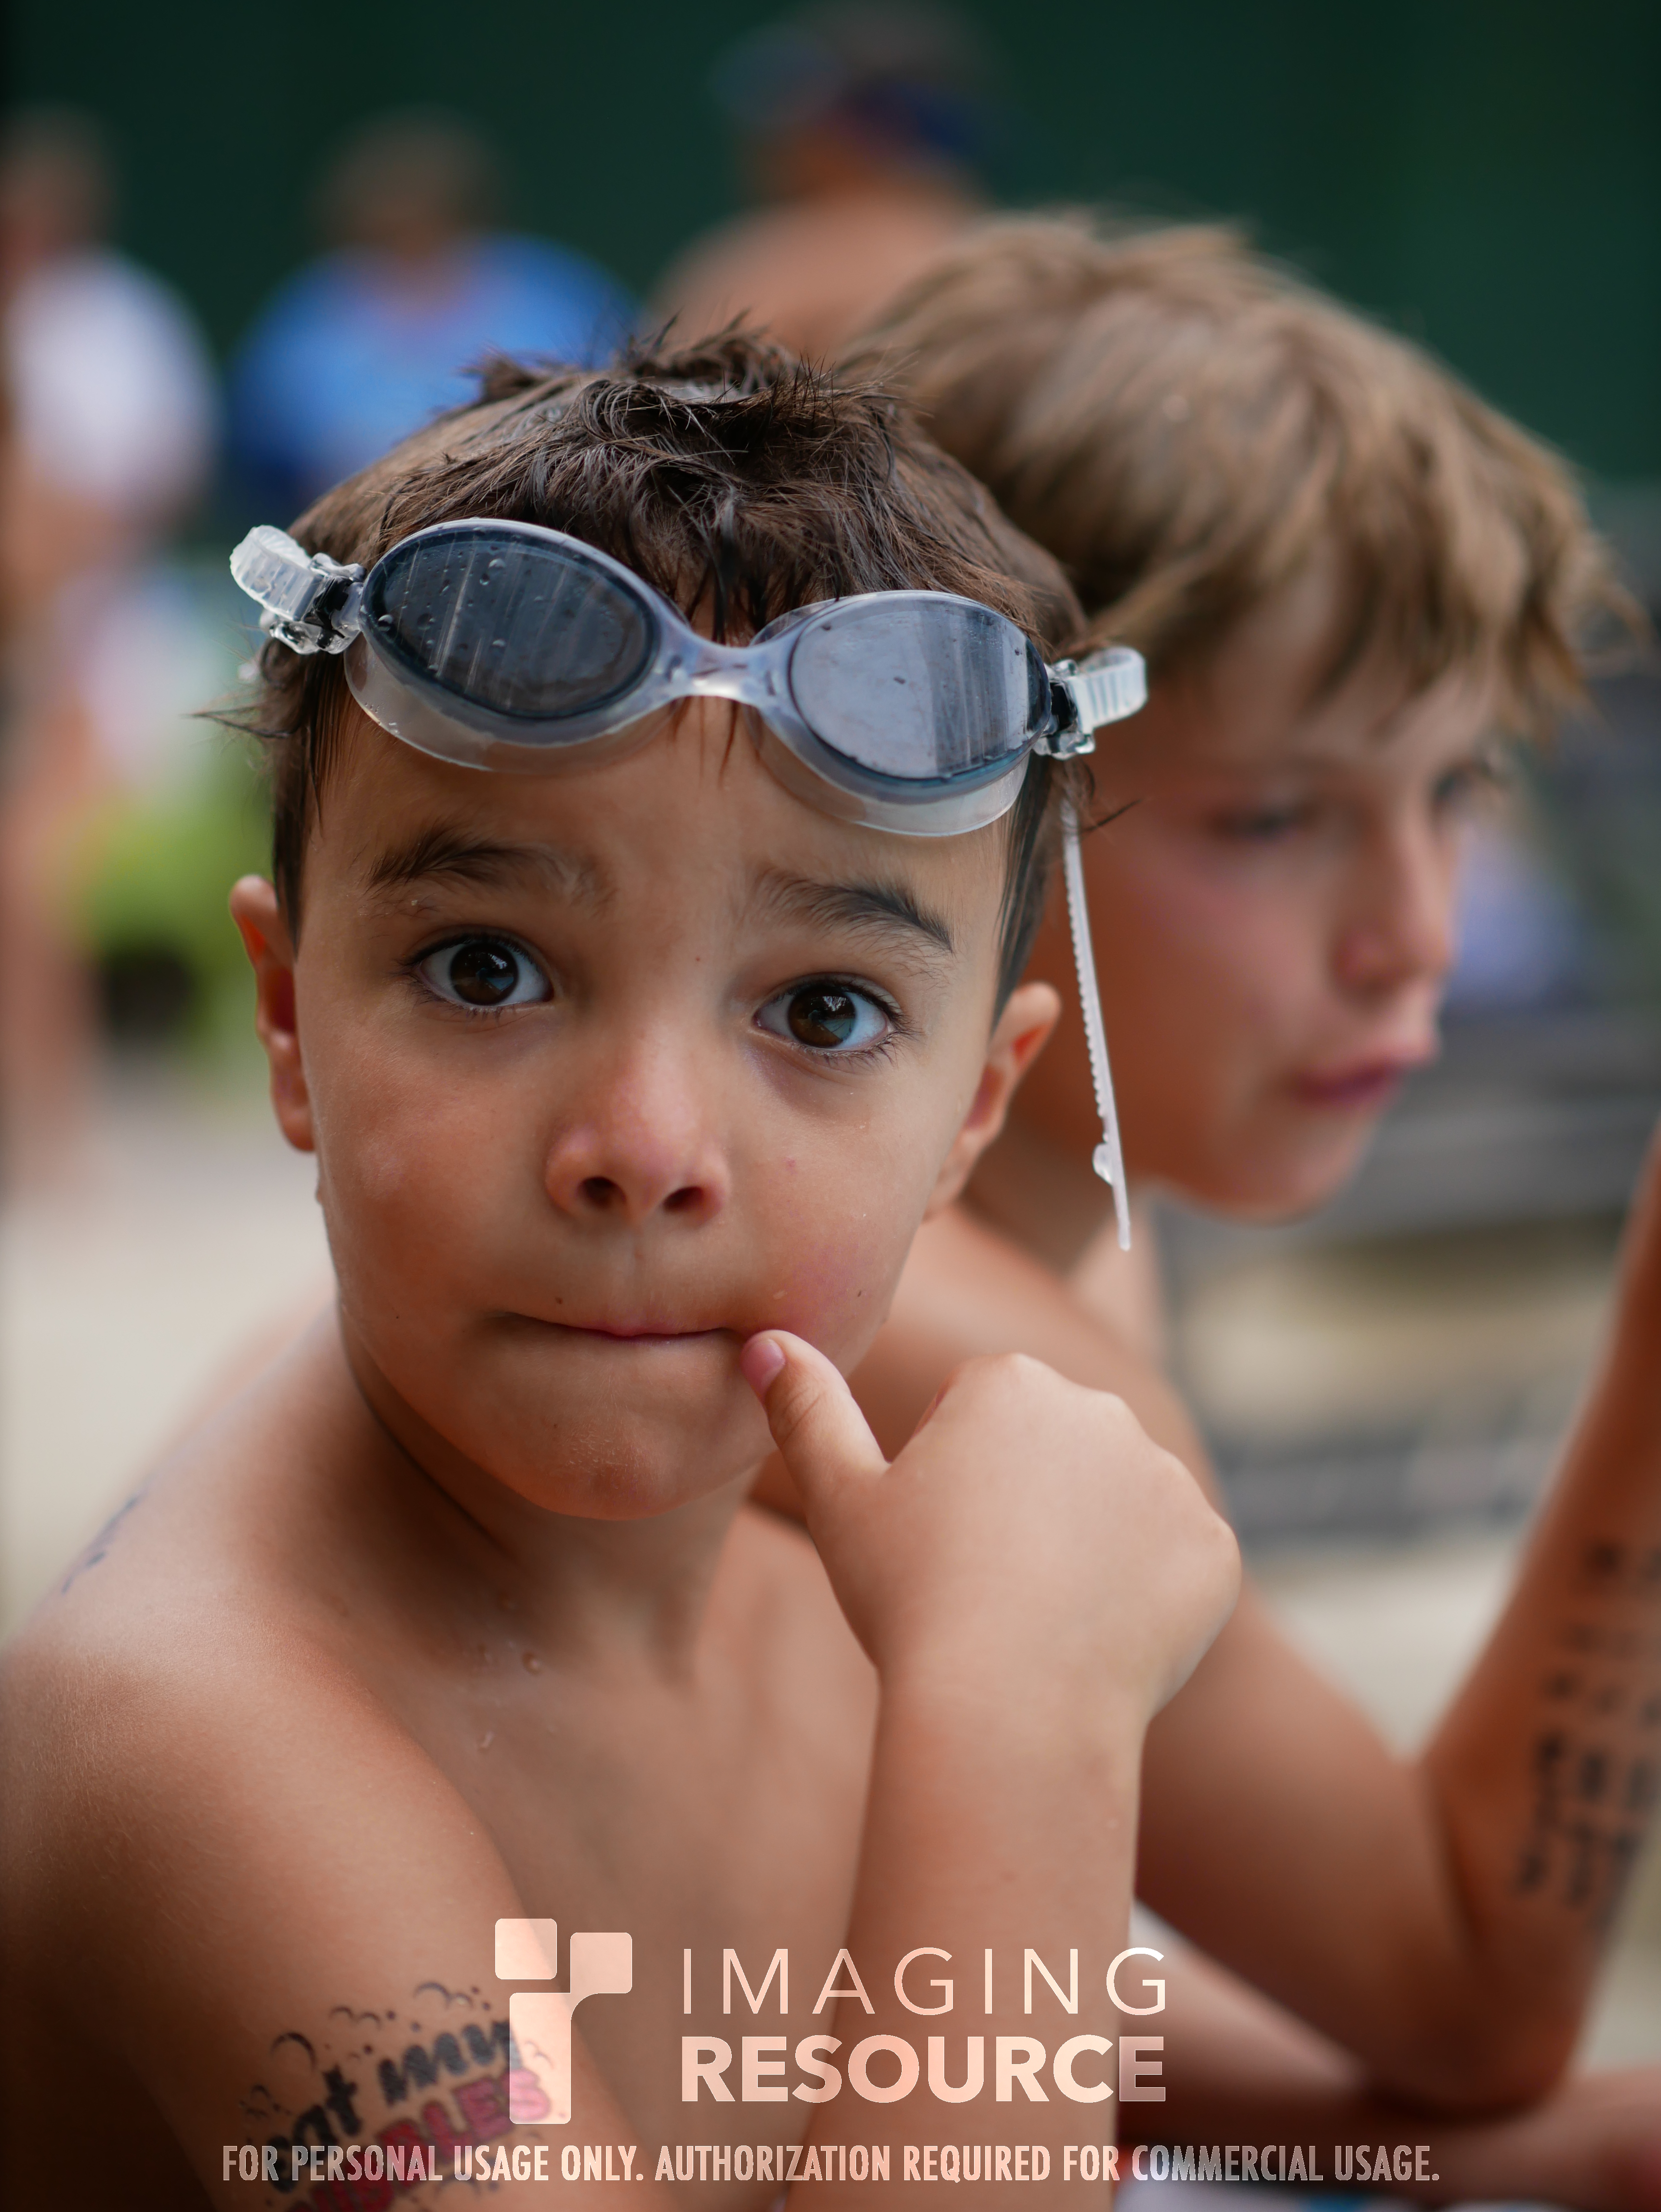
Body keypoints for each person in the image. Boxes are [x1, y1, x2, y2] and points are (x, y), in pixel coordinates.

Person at [0, 332, 1243, 2207]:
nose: (644, 1143)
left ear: (973, 1112)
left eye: (820, 1009)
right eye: (486, 966)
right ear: (288, 1019)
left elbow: (824, 2007)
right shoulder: (203, 1742)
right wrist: (1019, 1718)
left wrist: (1482, 2133)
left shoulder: (824, 1579)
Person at [759, 217, 1661, 2188]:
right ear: (928, 792)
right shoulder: (921, 1332)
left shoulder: (1065, 1226)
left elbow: (809, 1960)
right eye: (1276, 817)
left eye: (1454, 790)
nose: (1413, 935)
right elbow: (1464, 1985)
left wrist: (1468, 2157)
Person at [0, 105, 217, 1173]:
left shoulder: (118, 326)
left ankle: (50, 1139)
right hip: (57, 688)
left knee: (26, 892)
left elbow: (58, 664)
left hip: (74, 691)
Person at [228, 110, 635, 517]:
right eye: (385, 237)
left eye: (429, 227)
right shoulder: (312, 313)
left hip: (542, 520)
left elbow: (624, 417)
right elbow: (266, 452)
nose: (411, 251)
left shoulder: (552, 296)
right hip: (353, 530)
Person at [653, 3, 988, 361]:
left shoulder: (774, 269)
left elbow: (667, 389)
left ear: (846, 128)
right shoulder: (1000, 270)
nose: (761, 146)